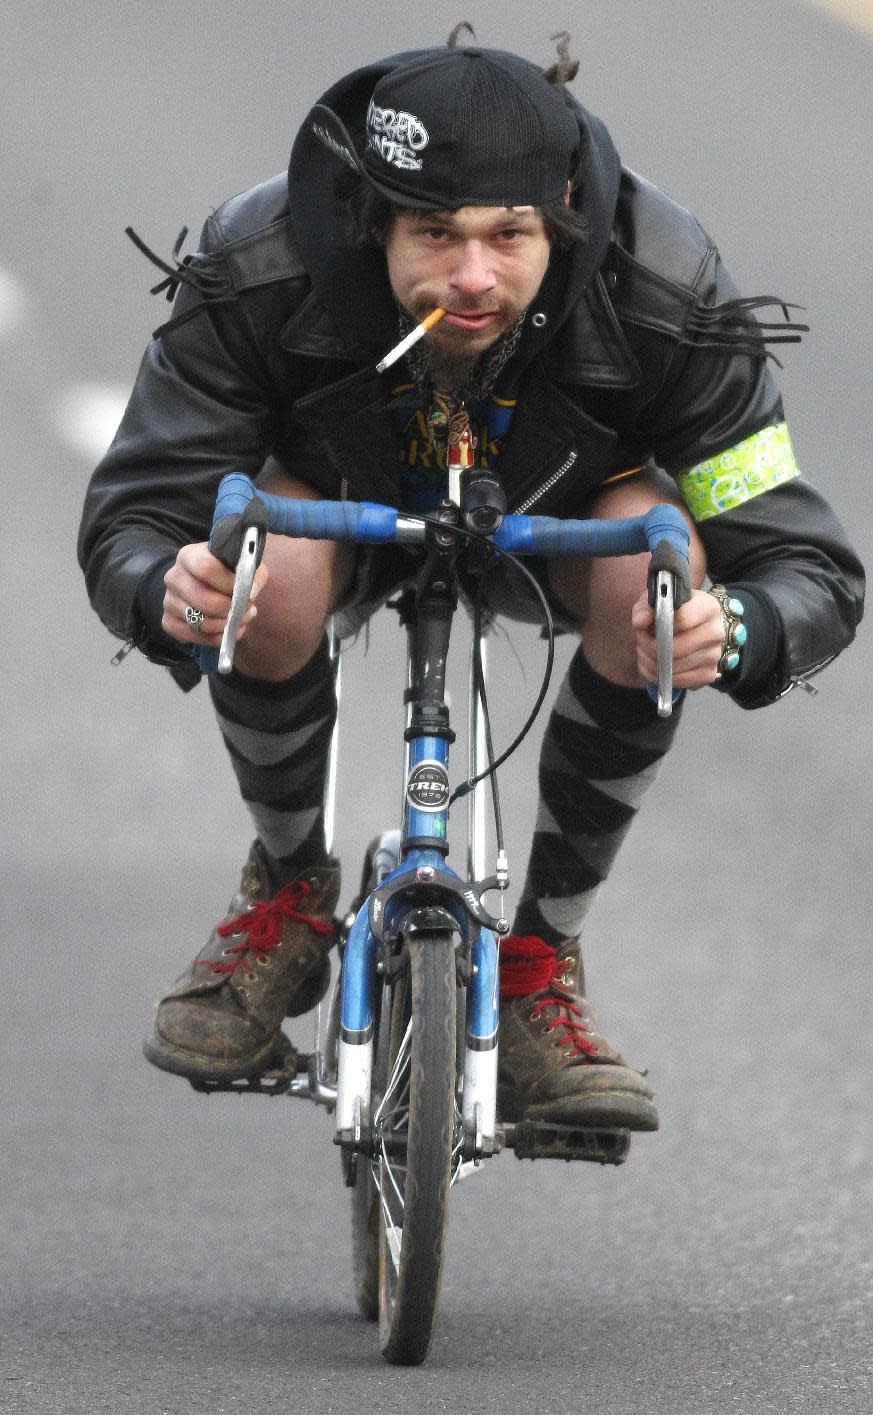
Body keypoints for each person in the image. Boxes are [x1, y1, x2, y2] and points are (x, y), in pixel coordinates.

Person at [78, 29, 863, 1135]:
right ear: (367, 219)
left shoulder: (668, 287)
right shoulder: (258, 262)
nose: (473, 277)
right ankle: (291, 894)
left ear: (568, 217)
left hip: (559, 520)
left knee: (659, 562)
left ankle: (541, 960)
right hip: (339, 503)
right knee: (261, 559)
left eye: (510, 235)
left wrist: (737, 628)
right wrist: (170, 584)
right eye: (435, 235)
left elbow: (806, 557)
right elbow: (136, 506)